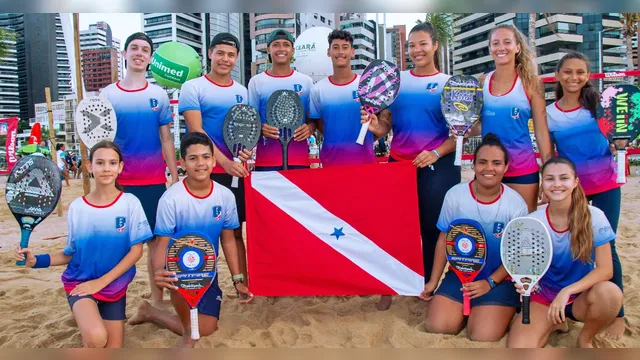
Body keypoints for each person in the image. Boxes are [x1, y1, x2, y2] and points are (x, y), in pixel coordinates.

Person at [15, 141, 152, 348]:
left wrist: (102, 282)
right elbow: (70, 254)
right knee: (97, 338)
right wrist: (36, 260)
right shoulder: (78, 207)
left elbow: (136, 252)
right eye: (100, 162)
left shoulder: (130, 203)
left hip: (114, 287)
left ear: (120, 167)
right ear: (89, 166)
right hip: (81, 284)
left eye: (112, 163)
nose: (106, 168)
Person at [360, 23, 459, 309]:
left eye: (423, 44)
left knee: (432, 229)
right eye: (412, 45)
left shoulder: (448, 83)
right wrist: (377, 125)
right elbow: (385, 126)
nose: (416, 50)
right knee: (394, 229)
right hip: (398, 165)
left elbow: (462, 133)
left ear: (435, 45)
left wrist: (436, 153)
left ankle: (426, 285)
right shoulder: (396, 82)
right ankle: (389, 286)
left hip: (436, 167)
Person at [127, 132, 253, 348]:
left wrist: (238, 280)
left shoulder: (225, 196)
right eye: (193, 158)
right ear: (183, 164)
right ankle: (186, 331)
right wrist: (159, 272)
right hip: (178, 273)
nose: (200, 163)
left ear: (214, 161)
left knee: (208, 328)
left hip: (207, 272)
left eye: (205, 157)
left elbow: (229, 241)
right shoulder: (171, 199)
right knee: (194, 332)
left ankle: (149, 312)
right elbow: (162, 242)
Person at [545, 51, 626, 335]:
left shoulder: (600, 105)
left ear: (588, 75)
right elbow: (550, 154)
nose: (573, 77)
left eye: (580, 72)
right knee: (572, 247)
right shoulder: (550, 113)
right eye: (567, 72)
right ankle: (566, 306)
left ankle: (618, 315)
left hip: (606, 185)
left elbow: (620, 132)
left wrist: (618, 144)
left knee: (607, 247)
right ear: (557, 76)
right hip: (572, 190)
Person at [419, 133, 528, 341]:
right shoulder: (455, 195)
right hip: (460, 275)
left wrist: (490, 282)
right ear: (474, 165)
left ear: (505, 167)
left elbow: (516, 256)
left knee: (482, 336)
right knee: (438, 326)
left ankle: (497, 311)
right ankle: (465, 310)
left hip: (499, 280)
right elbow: (445, 238)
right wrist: (433, 282)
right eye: (483, 162)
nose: (489, 168)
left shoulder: (516, 204)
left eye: (496, 163)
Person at [507, 156, 623, 348]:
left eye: (564, 178)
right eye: (550, 179)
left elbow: (605, 270)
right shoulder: (532, 222)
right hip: (544, 298)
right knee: (520, 349)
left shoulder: (594, 216)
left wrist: (567, 291)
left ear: (575, 182)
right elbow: (525, 267)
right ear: (542, 182)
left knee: (611, 294)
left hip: (580, 297)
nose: (557, 184)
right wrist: (525, 283)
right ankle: (557, 322)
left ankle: (585, 339)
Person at [100, 32, 179, 308]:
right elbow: (101, 141)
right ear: (124, 54)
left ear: (149, 58)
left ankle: (157, 300)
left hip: (153, 183)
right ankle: (108, 298)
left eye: (144, 50)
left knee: (157, 246)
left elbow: (166, 139)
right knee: (115, 246)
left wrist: (175, 176)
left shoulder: (158, 95)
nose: (138, 53)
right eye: (133, 48)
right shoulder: (108, 95)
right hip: (118, 184)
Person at [177, 32, 252, 287]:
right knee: (198, 234)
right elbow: (198, 133)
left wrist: (246, 152)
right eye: (220, 53)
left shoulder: (242, 91)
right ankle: (198, 284)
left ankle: (241, 284)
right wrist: (224, 163)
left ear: (237, 58)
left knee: (234, 233)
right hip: (203, 172)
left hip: (233, 173)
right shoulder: (193, 87)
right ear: (210, 54)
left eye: (231, 55)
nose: (225, 59)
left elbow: (246, 129)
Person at [466, 24, 553, 213]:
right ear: (490, 49)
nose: (501, 48)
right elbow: (479, 126)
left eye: (507, 42)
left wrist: (548, 173)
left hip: (522, 168)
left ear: (518, 47)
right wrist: (460, 130)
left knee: (524, 228)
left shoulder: (531, 83)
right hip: (488, 168)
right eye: (495, 43)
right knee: (489, 226)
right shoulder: (482, 82)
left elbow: (541, 131)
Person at [247, 29, 315, 171]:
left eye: (286, 44)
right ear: (268, 50)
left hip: (299, 159)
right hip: (266, 161)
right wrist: (260, 129)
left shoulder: (306, 81)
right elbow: (252, 120)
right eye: (276, 44)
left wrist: (309, 128)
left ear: (292, 50)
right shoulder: (256, 82)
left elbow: (313, 119)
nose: (281, 49)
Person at [310, 29, 376, 168]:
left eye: (345, 47)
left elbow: (379, 125)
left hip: (365, 163)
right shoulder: (318, 89)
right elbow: (321, 125)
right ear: (329, 52)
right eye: (335, 47)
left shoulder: (365, 85)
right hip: (331, 164)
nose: (340, 52)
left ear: (352, 52)